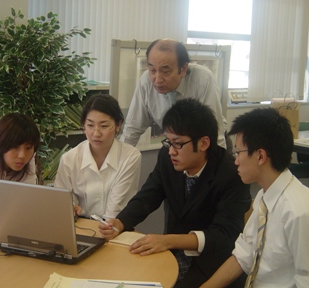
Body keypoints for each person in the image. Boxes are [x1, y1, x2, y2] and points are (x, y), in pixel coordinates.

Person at [99, 98, 251, 287]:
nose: (171, 151)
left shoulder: (231, 173)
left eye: (177, 144)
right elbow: (148, 196)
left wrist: (168, 241)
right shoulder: (168, 158)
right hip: (171, 252)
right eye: (168, 142)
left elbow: (224, 235)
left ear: (203, 143)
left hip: (212, 263)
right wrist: (119, 223)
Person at [201, 108, 309, 288]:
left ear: (260, 156)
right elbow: (244, 254)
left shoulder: (299, 212)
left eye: (238, 152)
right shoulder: (263, 196)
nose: (235, 161)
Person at [119, 38, 227, 149]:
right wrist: (119, 160)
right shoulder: (146, 81)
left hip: (202, 144)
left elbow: (216, 133)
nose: (157, 79)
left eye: (165, 71)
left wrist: (218, 163)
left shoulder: (203, 79)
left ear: (183, 68)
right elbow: (132, 129)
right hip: (173, 144)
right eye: (152, 70)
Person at [54, 94, 141, 219]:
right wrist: (71, 208)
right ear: (83, 125)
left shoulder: (130, 156)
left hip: (115, 226)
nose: (96, 133)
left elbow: (116, 208)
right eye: (90, 125)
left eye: (104, 126)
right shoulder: (69, 158)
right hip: (80, 227)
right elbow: (62, 202)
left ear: (118, 125)